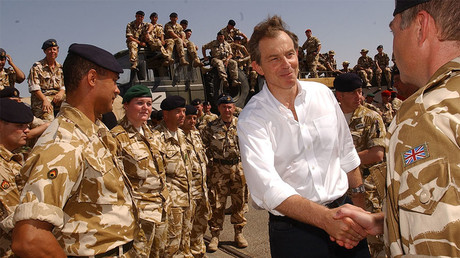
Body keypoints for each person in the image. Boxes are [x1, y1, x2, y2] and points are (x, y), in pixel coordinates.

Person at [334, 0, 460, 256]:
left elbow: (436, 244)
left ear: (421, 26)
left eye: (394, 31)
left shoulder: (426, 115)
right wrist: (384, 222)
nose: (393, 50)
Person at [238, 15, 370, 257]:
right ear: (257, 67)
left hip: (346, 215)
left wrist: (360, 209)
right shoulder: (252, 118)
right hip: (295, 231)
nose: (286, 64)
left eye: (289, 54)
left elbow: (347, 153)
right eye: (274, 59)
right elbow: (267, 187)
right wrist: (325, 219)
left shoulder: (323, 94)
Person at [12, 43, 136, 257]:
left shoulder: (93, 131)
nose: (117, 89)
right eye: (114, 81)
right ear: (92, 78)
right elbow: (30, 239)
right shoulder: (63, 142)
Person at [111, 84, 170, 257]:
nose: (146, 108)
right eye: (140, 103)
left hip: (160, 209)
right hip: (138, 216)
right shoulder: (116, 137)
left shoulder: (151, 134)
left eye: (149, 103)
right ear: (126, 105)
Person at [334, 73, 387, 257]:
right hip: (337, 193)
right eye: (354, 93)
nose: (360, 97)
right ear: (339, 95)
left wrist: (340, 163)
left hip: (367, 191)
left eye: (360, 91)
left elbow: (377, 154)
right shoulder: (329, 119)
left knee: (375, 245)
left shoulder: (371, 117)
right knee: (345, 243)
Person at [202, 95, 248, 252]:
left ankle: (239, 233)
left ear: (233, 108)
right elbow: (202, 146)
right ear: (219, 108)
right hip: (218, 170)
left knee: (239, 201)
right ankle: (215, 235)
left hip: (238, 168)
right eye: (224, 107)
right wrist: (208, 164)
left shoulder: (242, 125)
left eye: (230, 107)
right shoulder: (211, 127)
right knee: (217, 203)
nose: (227, 110)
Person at [154, 95, 193, 257]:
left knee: (185, 244)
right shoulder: (156, 139)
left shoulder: (183, 136)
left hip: (188, 200)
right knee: (170, 247)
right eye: (178, 112)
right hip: (171, 205)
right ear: (165, 114)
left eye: (183, 111)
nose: (182, 115)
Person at [0, 98, 33, 257]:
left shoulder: (12, 159)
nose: (27, 130)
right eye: (20, 126)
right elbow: (17, 219)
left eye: (27, 126)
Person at [180, 105, 211, 258]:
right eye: (189, 118)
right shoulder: (177, 137)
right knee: (185, 228)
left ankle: (198, 251)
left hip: (201, 190)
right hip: (187, 193)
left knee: (200, 224)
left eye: (194, 118)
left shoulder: (196, 134)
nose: (192, 121)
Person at [28, 39, 65, 122]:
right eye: (49, 49)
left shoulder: (61, 68)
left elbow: (64, 85)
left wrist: (61, 92)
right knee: (49, 120)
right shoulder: (37, 67)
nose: (52, 52)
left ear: (58, 50)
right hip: (41, 98)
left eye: (54, 49)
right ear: (45, 51)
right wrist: (44, 100)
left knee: (73, 104)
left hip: (57, 96)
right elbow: (34, 88)